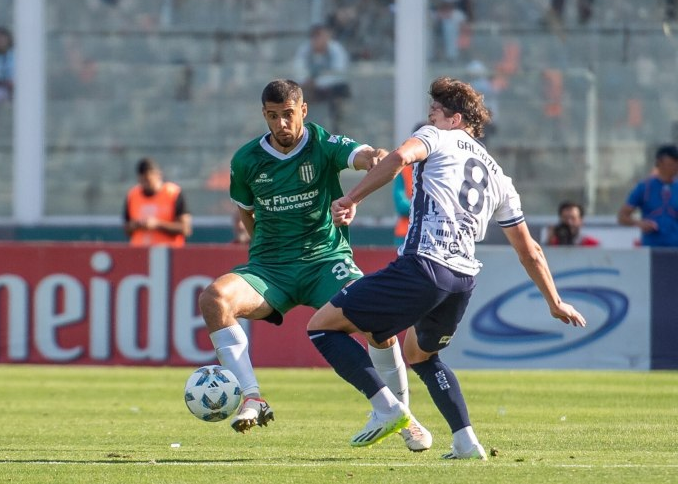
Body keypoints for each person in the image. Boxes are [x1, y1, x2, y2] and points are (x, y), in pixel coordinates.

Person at [307, 76, 586, 458]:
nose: (429, 119)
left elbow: (399, 158)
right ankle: (466, 441)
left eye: (434, 113)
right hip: (462, 280)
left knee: (322, 328)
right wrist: (554, 301)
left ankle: (388, 409)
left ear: (455, 118)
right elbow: (530, 250)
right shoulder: (499, 177)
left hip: (424, 265)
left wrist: (351, 197)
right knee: (420, 354)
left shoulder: (436, 136)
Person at [198, 79, 432, 452]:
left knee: (380, 326)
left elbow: (364, 154)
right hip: (270, 268)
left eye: (288, 115)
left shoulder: (323, 144)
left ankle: (403, 418)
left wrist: (373, 157)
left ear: (303, 110)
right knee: (214, 299)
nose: (282, 125)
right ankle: (253, 398)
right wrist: (263, 255)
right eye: (273, 117)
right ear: (265, 116)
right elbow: (246, 213)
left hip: (326, 262)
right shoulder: (246, 161)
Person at [292, 25, 351, 133]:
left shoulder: (336, 50)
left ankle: (336, 127)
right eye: (316, 37)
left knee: (337, 93)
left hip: (333, 87)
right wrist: (306, 81)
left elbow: (338, 73)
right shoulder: (305, 50)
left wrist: (317, 82)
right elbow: (298, 69)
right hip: (311, 86)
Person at [617, 144, 678, 247]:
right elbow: (622, 217)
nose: (675, 168)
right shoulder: (644, 187)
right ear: (660, 163)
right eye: (671, 164)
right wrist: (639, 223)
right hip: (652, 249)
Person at [123, 157, 192, 247]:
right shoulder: (133, 195)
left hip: (169, 254)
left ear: (158, 175)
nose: (145, 184)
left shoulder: (173, 193)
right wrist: (137, 225)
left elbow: (185, 229)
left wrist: (157, 224)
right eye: (142, 181)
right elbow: (127, 227)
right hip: (139, 253)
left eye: (148, 180)